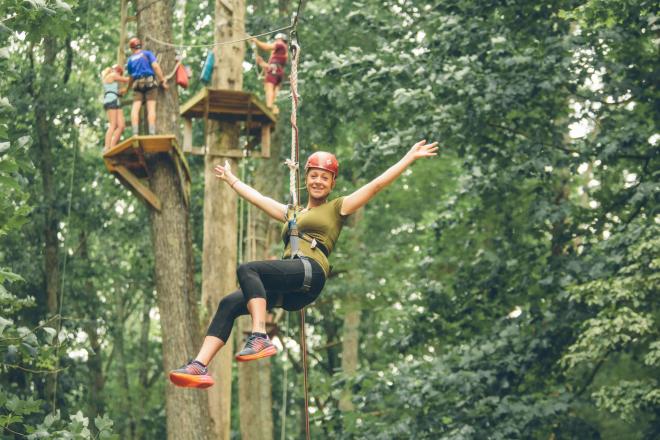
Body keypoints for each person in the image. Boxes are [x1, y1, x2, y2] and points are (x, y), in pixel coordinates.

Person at [169, 139, 439, 388]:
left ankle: (259, 335)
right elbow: (259, 200)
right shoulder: (293, 213)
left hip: (311, 270)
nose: (318, 181)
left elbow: (375, 186)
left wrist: (408, 158)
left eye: (324, 177)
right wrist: (231, 180)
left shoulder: (337, 208)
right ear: (306, 179)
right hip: (292, 289)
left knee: (248, 269)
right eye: (314, 176)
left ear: (332, 184)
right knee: (229, 303)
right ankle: (199, 365)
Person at [126, 37, 168, 136]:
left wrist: (127, 89)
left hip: (137, 85)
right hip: (150, 83)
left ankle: (135, 133)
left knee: (135, 109)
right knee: (151, 108)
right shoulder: (147, 54)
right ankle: (152, 133)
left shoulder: (130, 60)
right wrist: (162, 80)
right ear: (140, 45)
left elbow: (131, 77)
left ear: (132, 48)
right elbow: (156, 67)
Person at [251, 33, 288, 115]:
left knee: (269, 88)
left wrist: (256, 41)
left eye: (276, 40)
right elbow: (270, 66)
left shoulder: (280, 44)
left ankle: (269, 107)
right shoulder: (281, 53)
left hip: (274, 70)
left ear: (280, 39)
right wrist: (262, 63)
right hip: (278, 72)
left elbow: (266, 47)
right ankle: (274, 108)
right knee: (275, 92)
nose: (275, 41)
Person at [101, 64, 129, 151]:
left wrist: (122, 91)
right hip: (110, 100)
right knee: (113, 125)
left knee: (121, 126)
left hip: (115, 100)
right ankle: (107, 147)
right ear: (118, 72)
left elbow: (116, 91)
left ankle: (112, 146)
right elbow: (126, 80)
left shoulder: (111, 79)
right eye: (120, 74)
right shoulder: (112, 75)